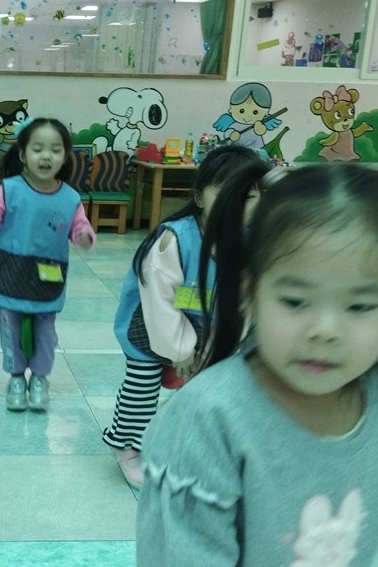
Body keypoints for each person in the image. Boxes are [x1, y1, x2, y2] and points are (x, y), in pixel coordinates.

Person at [135, 163, 378, 567]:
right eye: (296, 300)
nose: (325, 329)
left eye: (360, 306)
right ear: (250, 292)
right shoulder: (210, 419)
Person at [104, 145, 267, 488]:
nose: (236, 203)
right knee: (141, 386)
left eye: (249, 195)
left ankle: (188, 443)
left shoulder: (252, 243)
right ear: (199, 198)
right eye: (224, 192)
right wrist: (180, 350)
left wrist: (223, 346)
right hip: (152, 327)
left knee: (209, 389)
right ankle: (129, 446)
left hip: (208, 327)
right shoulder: (174, 239)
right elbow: (159, 302)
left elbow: (246, 301)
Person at [0, 117, 95, 411]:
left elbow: (80, 227)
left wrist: (84, 236)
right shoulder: (10, 189)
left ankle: (39, 378)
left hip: (48, 275)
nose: (46, 156)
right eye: (38, 149)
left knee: (46, 332)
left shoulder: (70, 198)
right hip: (9, 271)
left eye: (55, 150)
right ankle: (15, 378)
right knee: (10, 327)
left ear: (65, 156)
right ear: (23, 155)